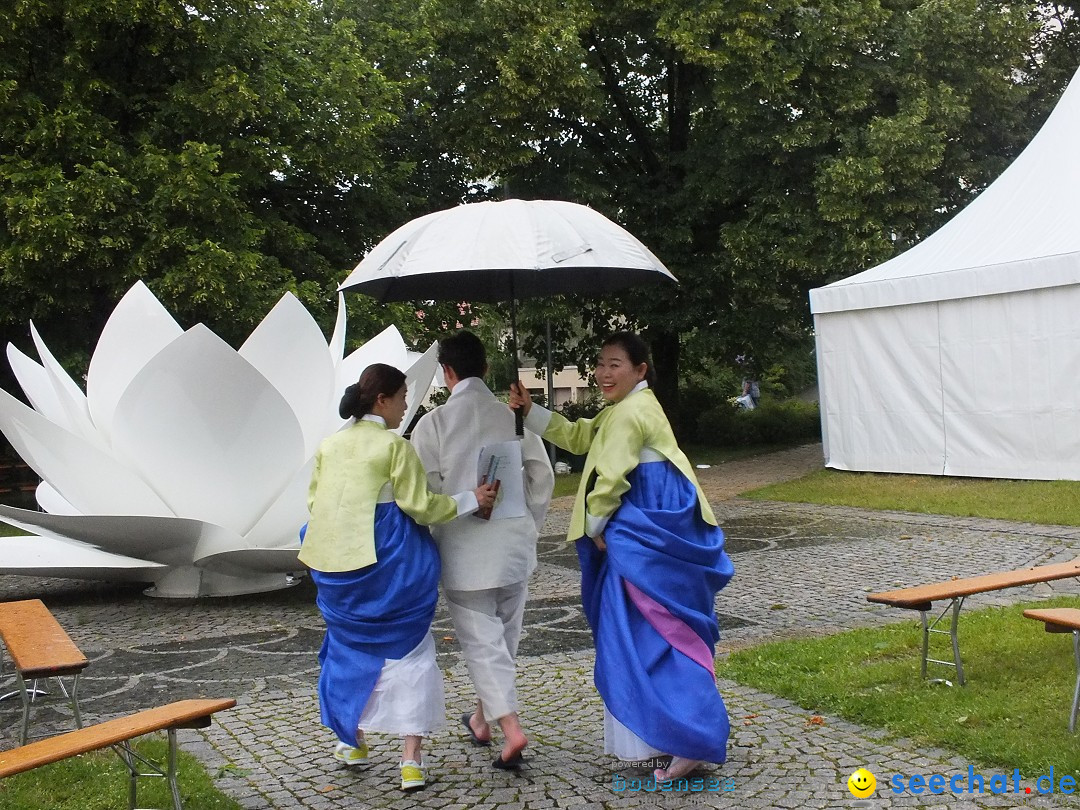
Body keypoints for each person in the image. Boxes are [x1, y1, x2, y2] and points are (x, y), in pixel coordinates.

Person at [508, 332, 734, 781]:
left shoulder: (631, 413)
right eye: (600, 363)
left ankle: (689, 736)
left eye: (614, 364)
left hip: (644, 533)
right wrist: (529, 408)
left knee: (660, 632)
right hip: (649, 529)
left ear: (640, 370)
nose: (603, 373)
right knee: (652, 631)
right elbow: (578, 436)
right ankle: (670, 735)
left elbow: (611, 478)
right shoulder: (626, 409)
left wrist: (595, 528)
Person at [299, 363, 496, 792]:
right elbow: (421, 506)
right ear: (382, 399)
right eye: (404, 395)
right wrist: (470, 499)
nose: (408, 404)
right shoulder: (393, 447)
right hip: (389, 569)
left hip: (337, 570)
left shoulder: (329, 446)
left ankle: (352, 740)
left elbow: (316, 505)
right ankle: (410, 760)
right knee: (411, 655)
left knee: (346, 650)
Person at [411, 331, 554, 770]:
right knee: (504, 636)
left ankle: (510, 728)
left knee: (481, 642)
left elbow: (425, 494)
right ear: (486, 369)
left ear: (445, 372)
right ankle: (481, 717)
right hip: (513, 544)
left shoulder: (432, 424)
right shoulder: (511, 417)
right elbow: (542, 477)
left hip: (464, 549)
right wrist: (530, 522)